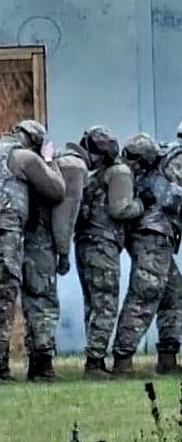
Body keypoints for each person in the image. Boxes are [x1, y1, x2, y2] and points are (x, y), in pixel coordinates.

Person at [112, 116, 182, 375]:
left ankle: (168, 359)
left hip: (141, 233)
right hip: (156, 236)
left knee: (175, 296)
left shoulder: (163, 151)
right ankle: (122, 360)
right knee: (145, 294)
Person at [72, 126, 145, 378]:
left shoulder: (92, 175)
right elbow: (120, 210)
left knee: (94, 304)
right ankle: (94, 363)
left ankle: (95, 359)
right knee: (105, 304)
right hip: (102, 244)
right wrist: (142, 203)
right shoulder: (119, 172)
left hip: (84, 243)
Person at [0, 120, 65, 382]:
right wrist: (48, 161)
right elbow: (56, 190)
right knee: (4, 296)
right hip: (6, 230)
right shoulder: (23, 157)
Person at [22, 131, 87, 381]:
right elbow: (61, 216)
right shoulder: (58, 172)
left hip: (22, 242)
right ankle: (42, 366)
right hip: (40, 245)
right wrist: (63, 253)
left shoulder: (21, 169)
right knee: (43, 305)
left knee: (32, 304)